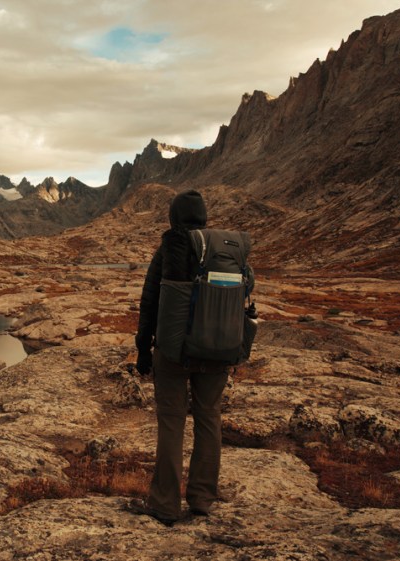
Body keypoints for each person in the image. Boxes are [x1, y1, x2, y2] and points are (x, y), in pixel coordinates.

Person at [126, 189, 240, 526]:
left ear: (173, 218)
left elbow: (150, 302)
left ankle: (165, 504)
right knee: (209, 419)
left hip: (173, 353)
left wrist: (143, 349)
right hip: (218, 351)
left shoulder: (170, 248)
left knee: (172, 422)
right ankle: (202, 500)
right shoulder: (226, 251)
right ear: (204, 218)